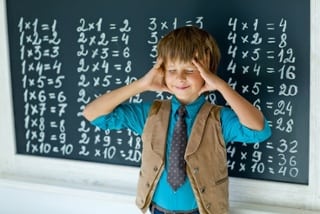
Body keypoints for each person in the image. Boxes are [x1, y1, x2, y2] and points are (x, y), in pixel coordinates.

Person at [82, 26, 271, 214]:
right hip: (158, 210)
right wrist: (142, 84)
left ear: (208, 71)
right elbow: (92, 114)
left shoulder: (218, 119)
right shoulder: (149, 115)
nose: (180, 77)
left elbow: (259, 130)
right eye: (172, 69)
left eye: (190, 70)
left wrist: (221, 86)